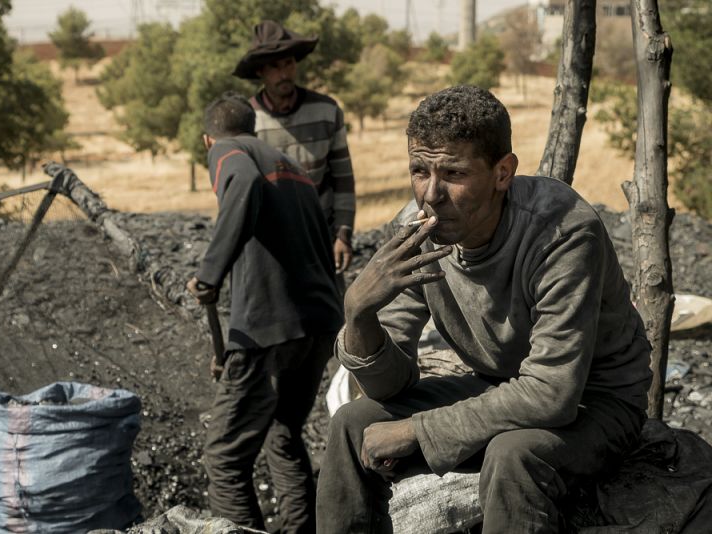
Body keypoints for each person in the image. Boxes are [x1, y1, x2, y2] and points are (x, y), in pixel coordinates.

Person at [315, 85, 653, 533]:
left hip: (597, 401)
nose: (430, 194)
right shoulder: (417, 232)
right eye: (419, 171)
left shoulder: (562, 232)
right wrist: (359, 314)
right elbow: (390, 386)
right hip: (500, 385)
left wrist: (418, 430)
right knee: (351, 423)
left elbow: (553, 393)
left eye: (453, 173)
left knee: (513, 455)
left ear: (502, 173)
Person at [185, 92, 343, 533]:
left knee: (224, 457)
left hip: (269, 328)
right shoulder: (291, 165)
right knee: (282, 435)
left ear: (208, 139)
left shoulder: (226, 151)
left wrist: (209, 274)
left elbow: (244, 184)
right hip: (318, 324)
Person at [233, 20, 356, 282]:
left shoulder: (327, 111)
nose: (284, 73)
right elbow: (240, 191)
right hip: (268, 245)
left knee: (332, 306)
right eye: (274, 67)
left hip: (321, 237)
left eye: (288, 63)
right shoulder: (247, 120)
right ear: (260, 71)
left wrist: (343, 234)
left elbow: (343, 179)